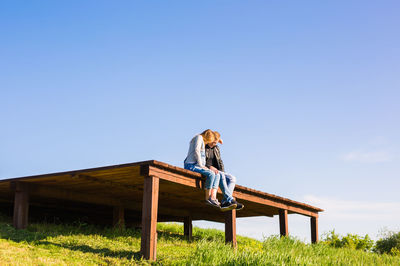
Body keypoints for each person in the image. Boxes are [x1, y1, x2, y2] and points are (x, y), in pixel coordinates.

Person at [205, 131, 244, 211]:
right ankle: (230, 199)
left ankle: (225, 201)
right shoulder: (203, 146)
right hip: (207, 169)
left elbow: (219, 161)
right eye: (213, 142)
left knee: (232, 178)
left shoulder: (216, 148)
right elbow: (200, 162)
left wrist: (223, 171)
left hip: (217, 170)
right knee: (221, 175)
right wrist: (209, 167)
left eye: (216, 143)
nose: (214, 144)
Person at [184, 129, 221, 208]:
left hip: (197, 165)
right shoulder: (199, 138)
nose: (208, 142)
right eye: (209, 140)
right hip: (191, 165)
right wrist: (201, 165)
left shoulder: (202, 140)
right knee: (211, 173)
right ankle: (208, 198)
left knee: (217, 174)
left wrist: (219, 140)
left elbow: (216, 137)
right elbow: (196, 151)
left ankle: (213, 197)